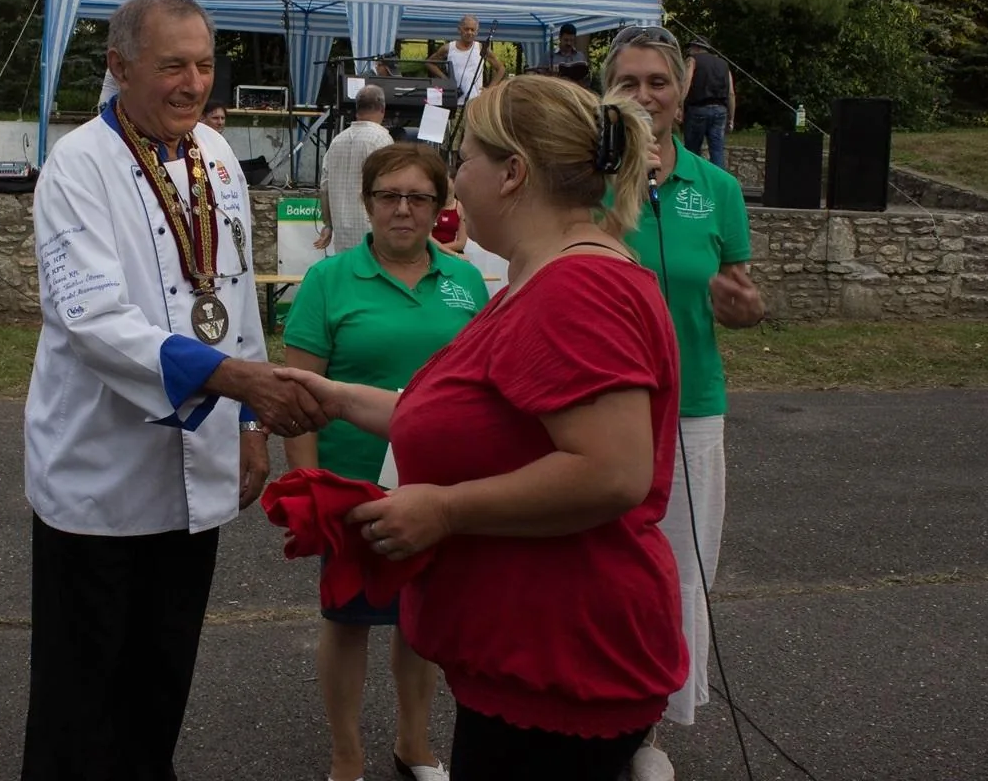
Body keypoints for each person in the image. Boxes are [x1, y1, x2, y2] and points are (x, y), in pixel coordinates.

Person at [279, 74, 686, 780]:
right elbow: (477, 419)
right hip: (531, 648)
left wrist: (442, 508)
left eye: (464, 159)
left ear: (513, 173)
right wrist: (335, 396)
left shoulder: (575, 287)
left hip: (560, 652)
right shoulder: (543, 275)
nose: (455, 178)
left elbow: (612, 471)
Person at [21, 0, 325, 781]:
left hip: (198, 469)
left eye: (202, 64)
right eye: (171, 67)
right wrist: (237, 385)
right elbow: (91, 319)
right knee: (80, 698)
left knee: (161, 678)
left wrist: (249, 427)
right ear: (119, 67)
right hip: (100, 473)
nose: (193, 83)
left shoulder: (216, 157)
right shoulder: (78, 165)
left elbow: (232, 298)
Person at [283, 143, 488, 781]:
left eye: (418, 197)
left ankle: (414, 745)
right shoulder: (328, 281)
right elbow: (298, 395)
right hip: (353, 485)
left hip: (438, 487)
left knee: (420, 621)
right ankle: (347, 757)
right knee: (349, 621)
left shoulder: (467, 282)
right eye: (388, 197)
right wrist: (305, 486)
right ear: (367, 203)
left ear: (440, 206)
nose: (403, 209)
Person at [603, 25, 764, 781]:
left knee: (680, 568)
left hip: (691, 403)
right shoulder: (582, 178)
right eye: (628, 82)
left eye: (656, 82)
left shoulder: (718, 189)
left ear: (681, 88)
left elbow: (739, 293)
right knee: (596, 562)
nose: (643, 96)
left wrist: (743, 306)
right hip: (599, 403)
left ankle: (651, 729)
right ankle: (593, 711)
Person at [315, 85, 393, 256]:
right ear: (382, 108)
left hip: (341, 230)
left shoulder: (336, 141)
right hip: (372, 230)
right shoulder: (382, 140)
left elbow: (324, 187)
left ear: (357, 109)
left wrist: (328, 224)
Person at [682, 37, 736, 169]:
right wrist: (731, 118)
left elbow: (686, 83)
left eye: (690, 48)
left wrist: (678, 105)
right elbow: (731, 93)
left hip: (698, 109)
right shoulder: (723, 64)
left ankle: (692, 179)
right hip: (720, 111)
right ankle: (719, 184)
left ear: (696, 47)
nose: (689, 51)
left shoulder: (692, 60)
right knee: (717, 151)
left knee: (692, 150)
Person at [427, 15, 504, 106]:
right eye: (466, 29)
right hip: (454, 101)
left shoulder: (481, 48)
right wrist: (446, 79)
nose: (469, 32)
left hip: (476, 103)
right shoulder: (448, 48)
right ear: (460, 29)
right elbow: (430, 63)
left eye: (472, 30)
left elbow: (501, 69)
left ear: (477, 32)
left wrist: (489, 89)